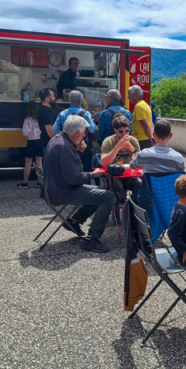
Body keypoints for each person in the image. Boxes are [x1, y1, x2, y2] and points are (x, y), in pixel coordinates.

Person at [45, 115, 115, 253]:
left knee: (98, 190)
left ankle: (74, 221)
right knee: (109, 196)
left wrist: (79, 151)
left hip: (55, 188)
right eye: (84, 133)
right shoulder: (65, 147)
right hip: (63, 192)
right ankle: (92, 239)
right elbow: (75, 178)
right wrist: (94, 174)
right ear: (76, 133)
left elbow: (70, 170)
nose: (84, 136)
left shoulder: (58, 140)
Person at [54, 90, 96, 176]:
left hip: (67, 146)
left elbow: (55, 128)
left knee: (69, 168)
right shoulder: (86, 113)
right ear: (81, 101)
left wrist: (63, 136)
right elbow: (92, 129)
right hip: (83, 146)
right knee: (86, 170)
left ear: (69, 100)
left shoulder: (63, 113)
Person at [100, 114, 142, 202]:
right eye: (121, 131)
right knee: (117, 187)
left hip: (128, 174)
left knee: (140, 184)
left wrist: (132, 149)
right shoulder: (109, 141)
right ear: (115, 131)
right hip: (113, 174)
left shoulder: (133, 140)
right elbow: (104, 163)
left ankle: (136, 208)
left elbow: (140, 162)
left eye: (127, 131)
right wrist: (117, 147)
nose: (125, 134)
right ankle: (117, 212)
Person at [18, 101, 42, 188]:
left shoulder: (27, 120)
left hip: (31, 142)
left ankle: (25, 183)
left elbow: (25, 133)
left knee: (28, 163)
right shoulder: (40, 119)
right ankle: (40, 182)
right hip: (39, 141)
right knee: (39, 163)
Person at [38, 88, 63, 168]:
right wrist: (56, 141)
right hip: (48, 143)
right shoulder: (46, 111)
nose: (54, 98)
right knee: (50, 166)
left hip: (46, 142)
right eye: (52, 96)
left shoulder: (42, 109)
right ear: (47, 99)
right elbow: (49, 128)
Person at [129, 85, 154, 150]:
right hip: (145, 139)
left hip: (140, 140)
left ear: (134, 95)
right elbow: (151, 124)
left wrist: (151, 139)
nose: (128, 97)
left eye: (129, 94)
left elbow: (146, 125)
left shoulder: (138, 107)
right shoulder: (145, 105)